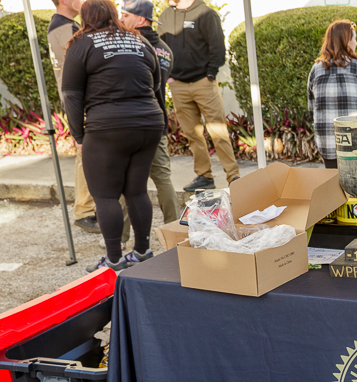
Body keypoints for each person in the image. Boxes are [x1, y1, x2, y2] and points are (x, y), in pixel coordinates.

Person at [62, 0, 166, 272]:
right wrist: (161, 124)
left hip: (108, 127)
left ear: (85, 17)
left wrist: (79, 136)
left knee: (106, 196)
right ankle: (143, 252)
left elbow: (71, 95)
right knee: (137, 190)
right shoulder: (139, 41)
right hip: (148, 123)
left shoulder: (82, 44)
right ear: (113, 15)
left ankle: (114, 261)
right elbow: (156, 86)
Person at [158, 0, 240, 191]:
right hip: (178, 84)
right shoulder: (165, 16)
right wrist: (169, 77)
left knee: (218, 131)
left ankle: (233, 176)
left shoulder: (206, 14)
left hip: (204, 83)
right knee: (192, 134)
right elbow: (161, 49)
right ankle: (204, 176)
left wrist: (210, 74)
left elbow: (217, 47)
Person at [119, 0, 180, 224]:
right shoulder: (165, 50)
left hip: (132, 122)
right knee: (163, 179)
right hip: (157, 121)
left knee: (127, 180)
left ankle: (121, 237)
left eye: (125, 15)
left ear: (140, 19)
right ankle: (174, 230)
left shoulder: (129, 44)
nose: (121, 20)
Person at [48, 0, 100, 235]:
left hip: (77, 98)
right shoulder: (66, 29)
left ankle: (90, 206)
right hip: (80, 99)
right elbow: (81, 68)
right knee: (86, 154)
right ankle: (84, 210)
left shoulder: (61, 25)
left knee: (89, 153)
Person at [308, 20, 357, 170]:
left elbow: (311, 107)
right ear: (345, 41)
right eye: (353, 38)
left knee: (334, 183)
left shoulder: (316, 69)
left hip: (327, 142)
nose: (356, 43)